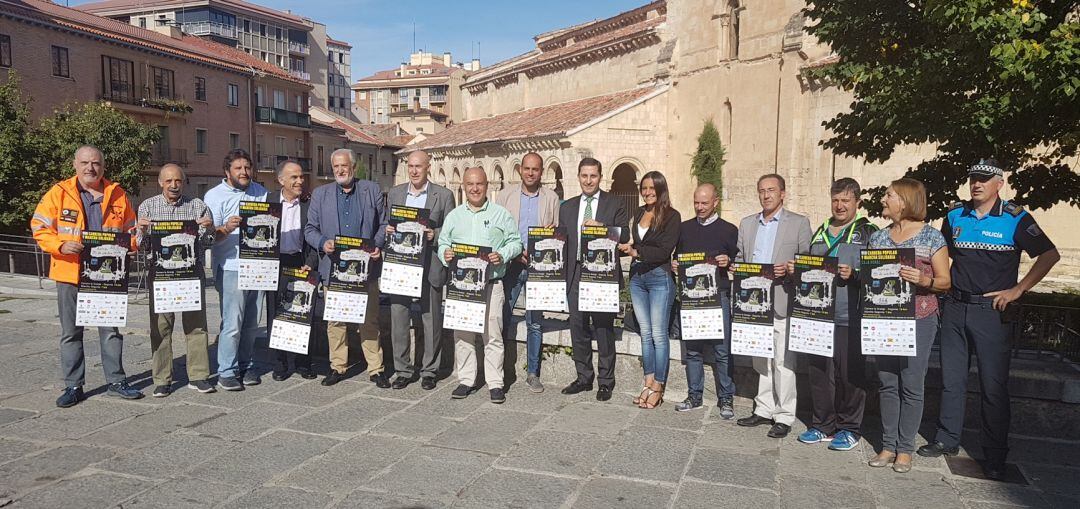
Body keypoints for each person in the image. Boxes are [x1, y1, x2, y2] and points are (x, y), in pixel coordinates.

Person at [919, 160, 1059, 480]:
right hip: (956, 306)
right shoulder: (955, 215)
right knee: (952, 379)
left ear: (999, 184)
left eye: (984, 179)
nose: (976, 184)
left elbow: (1050, 254)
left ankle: (994, 454)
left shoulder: (1015, 218)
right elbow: (941, 255)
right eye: (973, 178)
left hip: (991, 312)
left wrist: (1018, 289)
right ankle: (946, 439)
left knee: (993, 386)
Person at [31, 145, 143, 407]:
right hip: (70, 273)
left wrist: (132, 244)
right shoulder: (59, 193)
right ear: (75, 165)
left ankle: (116, 382)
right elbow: (39, 226)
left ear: (103, 166)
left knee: (111, 331)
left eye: (96, 163)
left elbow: (131, 229)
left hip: (107, 275)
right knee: (71, 332)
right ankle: (73, 386)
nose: (90, 168)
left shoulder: (117, 193)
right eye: (85, 163)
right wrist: (60, 245)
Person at [867, 178, 951, 474]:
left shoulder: (932, 237)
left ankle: (905, 449)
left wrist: (924, 280)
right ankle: (888, 445)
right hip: (885, 320)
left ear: (904, 200)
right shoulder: (878, 237)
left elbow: (945, 282)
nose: (883, 200)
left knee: (912, 383)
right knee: (887, 383)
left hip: (919, 320)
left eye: (888, 195)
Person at [792, 178, 877, 450]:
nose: (839, 206)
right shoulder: (820, 232)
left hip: (849, 316)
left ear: (857, 202)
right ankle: (822, 425)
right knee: (819, 373)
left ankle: (849, 428)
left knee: (850, 374)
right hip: (818, 315)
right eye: (835, 200)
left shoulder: (869, 232)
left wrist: (856, 275)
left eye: (845, 201)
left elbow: (879, 274)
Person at [734, 174, 811, 438]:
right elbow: (740, 258)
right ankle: (764, 408)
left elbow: (807, 262)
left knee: (783, 362)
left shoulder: (799, 223)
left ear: (782, 193)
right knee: (761, 360)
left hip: (782, 298)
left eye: (771, 190)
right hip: (754, 303)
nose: (766, 195)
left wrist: (791, 269)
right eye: (762, 191)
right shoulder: (747, 224)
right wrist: (736, 268)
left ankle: (784, 415)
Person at [438, 167, 523, 403]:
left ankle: (495, 383)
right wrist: (444, 254)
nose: (475, 189)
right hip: (462, 286)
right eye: (470, 184)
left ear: (486, 185)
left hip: (491, 284)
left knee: (492, 335)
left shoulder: (501, 214)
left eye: (479, 184)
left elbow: (516, 242)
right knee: (462, 334)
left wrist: (503, 254)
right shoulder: (454, 216)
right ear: (464, 186)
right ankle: (466, 380)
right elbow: (443, 243)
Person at [306, 149, 388, 388]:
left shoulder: (371, 189)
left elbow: (384, 224)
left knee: (369, 320)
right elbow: (310, 229)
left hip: (365, 268)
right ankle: (337, 366)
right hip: (334, 268)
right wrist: (323, 242)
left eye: (344, 166)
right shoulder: (320, 194)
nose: (340, 170)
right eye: (336, 167)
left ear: (353, 166)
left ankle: (376, 369)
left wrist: (377, 245)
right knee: (336, 322)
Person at [136, 164, 216, 397]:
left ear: (183, 182)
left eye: (178, 181)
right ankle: (162, 379)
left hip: (191, 275)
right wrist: (142, 232)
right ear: (160, 182)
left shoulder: (198, 206)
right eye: (169, 181)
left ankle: (199, 376)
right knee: (161, 327)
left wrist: (209, 229)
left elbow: (208, 244)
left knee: (196, 326)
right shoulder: (147, 207)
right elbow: (141, 246)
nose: (173, 185)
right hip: (161, 275)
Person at [559, 158, 630, 402]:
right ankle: (583, 377)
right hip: (576, 272)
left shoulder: (614, 203)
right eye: (584, 176)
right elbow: (563, 241)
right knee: (577, 326)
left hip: (601, 274)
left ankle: (606, 381)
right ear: (578, 177)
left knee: (603, 328)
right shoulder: (567, 207)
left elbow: (624, 234)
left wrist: (602, 226)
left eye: (593, 176)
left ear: (600, 177)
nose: (588, 181)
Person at [386, 150, 456, 390]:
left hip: (430, 264)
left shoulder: (444, 195)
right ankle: (402, 370)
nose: (414, 171)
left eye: (419, 166)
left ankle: (429, 371)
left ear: (428, 167)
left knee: (432, 319)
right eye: (411, 166)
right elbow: (388, 223)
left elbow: (451, 230)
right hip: (401, 265)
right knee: (399, 318)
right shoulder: (395, 193)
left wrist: (433, 234)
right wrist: (389, 230)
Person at [493, 152, 560, 393]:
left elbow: (557, 234)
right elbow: (497, 231)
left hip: (538, 267)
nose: (531, 173)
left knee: (535, 322)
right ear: (520, 170)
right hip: (511, 264)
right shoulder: (505, 195)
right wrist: (514, 252)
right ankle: (498, 371)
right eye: (527, 168)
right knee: (502, 316)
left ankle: (533, 373)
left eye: (535, 169)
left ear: (541, 172)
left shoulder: (552, 198)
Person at [672, 183, 739, 418]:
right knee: (693, 350)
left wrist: (728, 262)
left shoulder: (729, 230)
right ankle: (694, 395)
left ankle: (726, 397)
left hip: (718, 296)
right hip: (692, 298)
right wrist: (675, 264)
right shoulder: (684, 228)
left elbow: (738, 263)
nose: (699, 207)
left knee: (722, 350)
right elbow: (678, 257)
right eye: (696, 203)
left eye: (704, 203)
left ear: (715, 202)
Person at [204, 149, 268, 391]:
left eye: (247, 167)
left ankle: (246, 364)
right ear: (227, 171)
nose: (244, 172)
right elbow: (210, 237)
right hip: (230, 266)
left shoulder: (261, 192)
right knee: (232, 322)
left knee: (252, 322)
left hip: (258, 266)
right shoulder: (214, 196)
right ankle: (226, 371)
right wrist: (226, 228)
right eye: (238, 168)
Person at [619, 171, 680, 409]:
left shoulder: (672, 216)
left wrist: (637, 252)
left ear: (661, 189)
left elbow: (665, 250)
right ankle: (647, 382)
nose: (647, 192)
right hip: (637, 277)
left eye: (652, 188)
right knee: (645, 333)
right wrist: (627, 247)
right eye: (644, 188)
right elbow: (635, 241)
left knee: (658, 334)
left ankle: (658, 386)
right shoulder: (638, 212)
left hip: (659, 278)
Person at [266, 160, 319, 381]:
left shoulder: (309, 204)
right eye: (294, 177)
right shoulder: (268, 201)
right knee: (276, 313)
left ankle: (303, 363)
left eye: (301, 177)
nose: (299, 181)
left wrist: (311, 262)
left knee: (303, 312)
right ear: (281, 180)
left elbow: (316, 235)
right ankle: (280, 364)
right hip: (275, 262)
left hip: (301, 261)